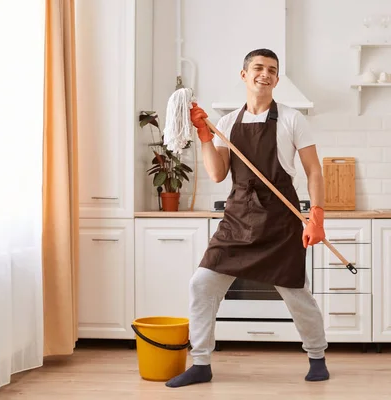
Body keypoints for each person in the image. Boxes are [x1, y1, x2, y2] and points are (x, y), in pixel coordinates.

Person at [165, 48, 329, 388]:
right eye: (258, 68)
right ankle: (201, 362)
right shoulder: (227, 123)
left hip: (280, 222)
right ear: (244, 75)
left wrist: (317, 215)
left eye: (271, 69)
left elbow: (314, 171)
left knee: (298, 295)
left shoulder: (291, 119)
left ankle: (316, 355)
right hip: (238, 219)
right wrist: (205, 136)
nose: (264, 74)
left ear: (277, 79)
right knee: (202, 284)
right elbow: (217, 173)